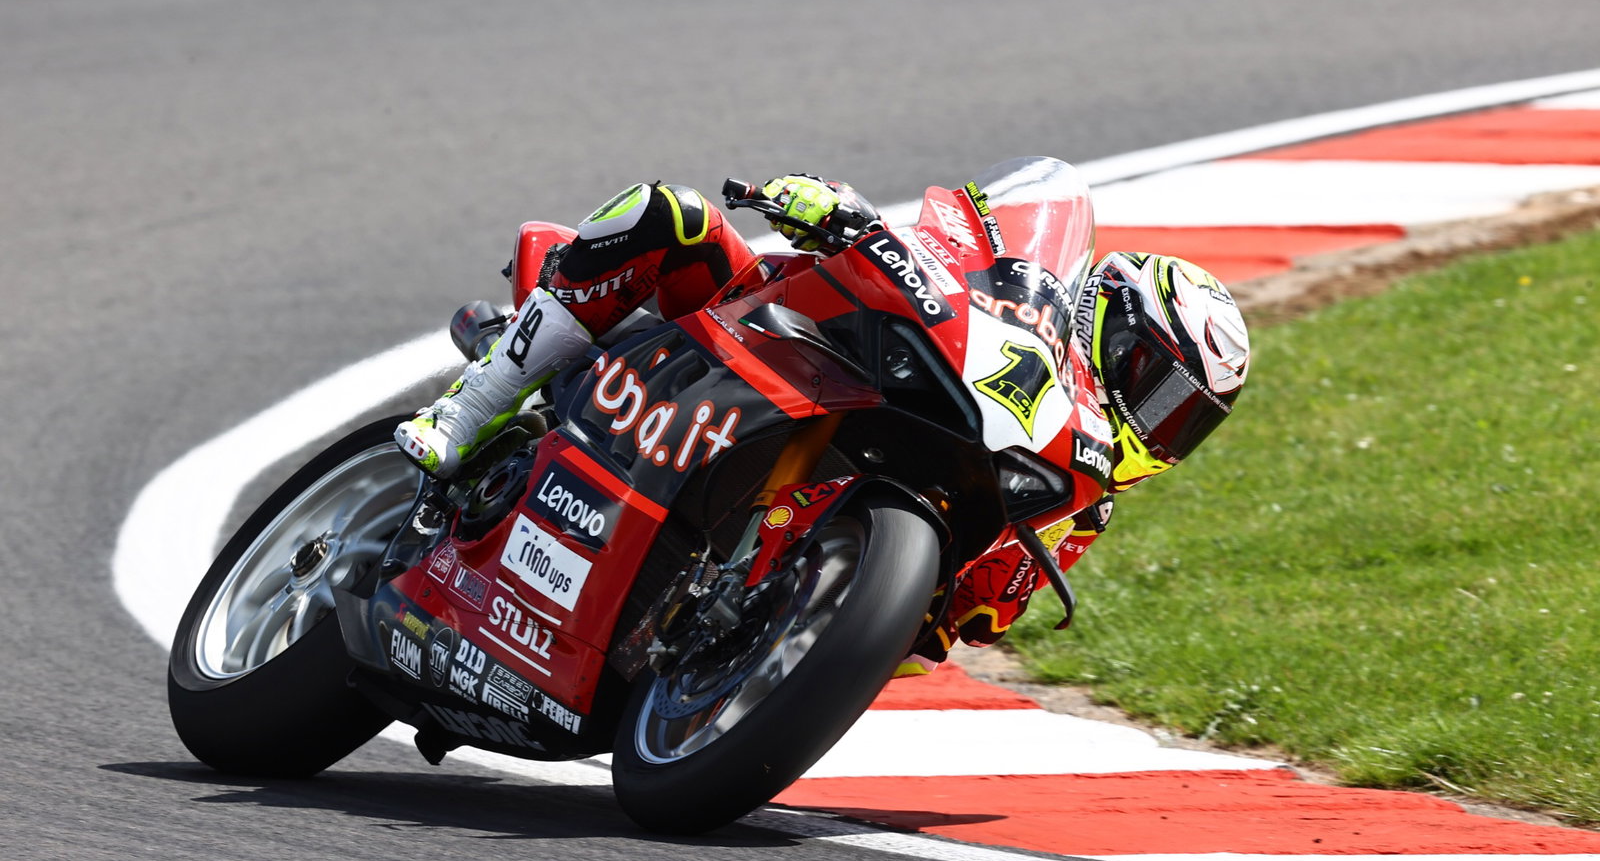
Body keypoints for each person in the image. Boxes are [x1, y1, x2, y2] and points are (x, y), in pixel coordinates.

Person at [396, 175, 1251, 671]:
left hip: (803, 496)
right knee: (669, 212)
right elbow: (931, 250)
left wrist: (916, 605)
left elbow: (960, 626)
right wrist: (838, 210)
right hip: (745, 323)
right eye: (1160, 392)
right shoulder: (1009, 304)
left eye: (1186, 423)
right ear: (1109, 323)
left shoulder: (1074, 499)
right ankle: (468, 412)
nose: (1161, 427)